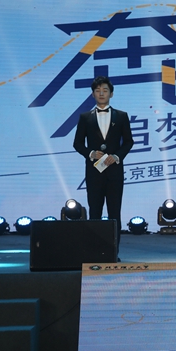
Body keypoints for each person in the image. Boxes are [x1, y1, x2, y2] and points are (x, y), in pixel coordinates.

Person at [73, 76, 134, 257]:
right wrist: (91, 154)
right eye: (98, 90)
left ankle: (113, 252)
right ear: (93, 94)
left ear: (111, 94)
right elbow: (77, 143)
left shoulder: (121, 116)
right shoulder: (85, 117)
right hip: (94, 173)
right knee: (95, 212)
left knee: (115, 213)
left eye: (105, 90)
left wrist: (116, 156)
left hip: (114, 173)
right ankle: (95, 252)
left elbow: (128, 142)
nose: (101, 93)